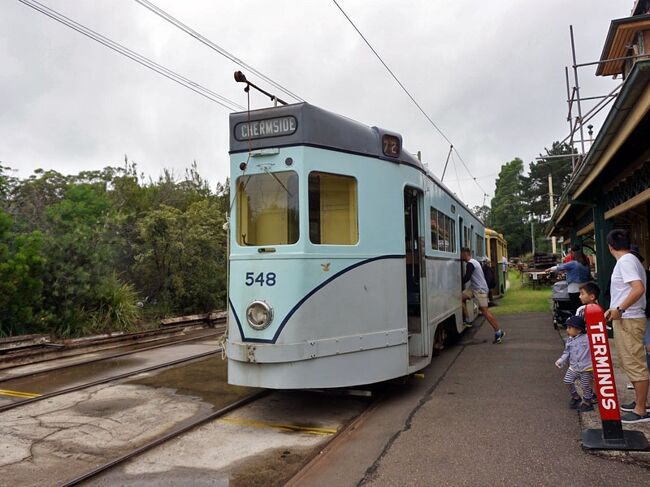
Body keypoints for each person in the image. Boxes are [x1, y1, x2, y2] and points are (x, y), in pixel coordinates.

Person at [604, 229, 649, 423]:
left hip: (629, 318)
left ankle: (641, 410)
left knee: (634, 362)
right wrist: (613, 308)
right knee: (629, 361)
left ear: (609, 246)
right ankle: (640, 402)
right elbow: (626, 290)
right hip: (627, 317)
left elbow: (638, 288)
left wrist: (620, 309)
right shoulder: (631, 260)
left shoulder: (625, 262)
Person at [461, 248, 505, 344]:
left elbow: (467, 278)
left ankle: (498, 331)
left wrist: (456, 284)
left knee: (485, 311)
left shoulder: (471, 263)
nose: (460, 257)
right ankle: (468, 320)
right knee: (461, 298)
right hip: (474, 288)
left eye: (461, 254)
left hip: (480, 289)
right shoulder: (474, 262)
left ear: (465, 254)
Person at [555, 315, 594, 412]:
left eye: (569, 328)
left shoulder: (587, 338)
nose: (567, 330)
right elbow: (566, 352)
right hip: (573, 367)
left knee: (585, 385)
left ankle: (587, 402)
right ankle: (576, 397)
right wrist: (561, 360)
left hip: (586, 368)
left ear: (579, 330)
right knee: (567, 381)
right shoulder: (569, 340)